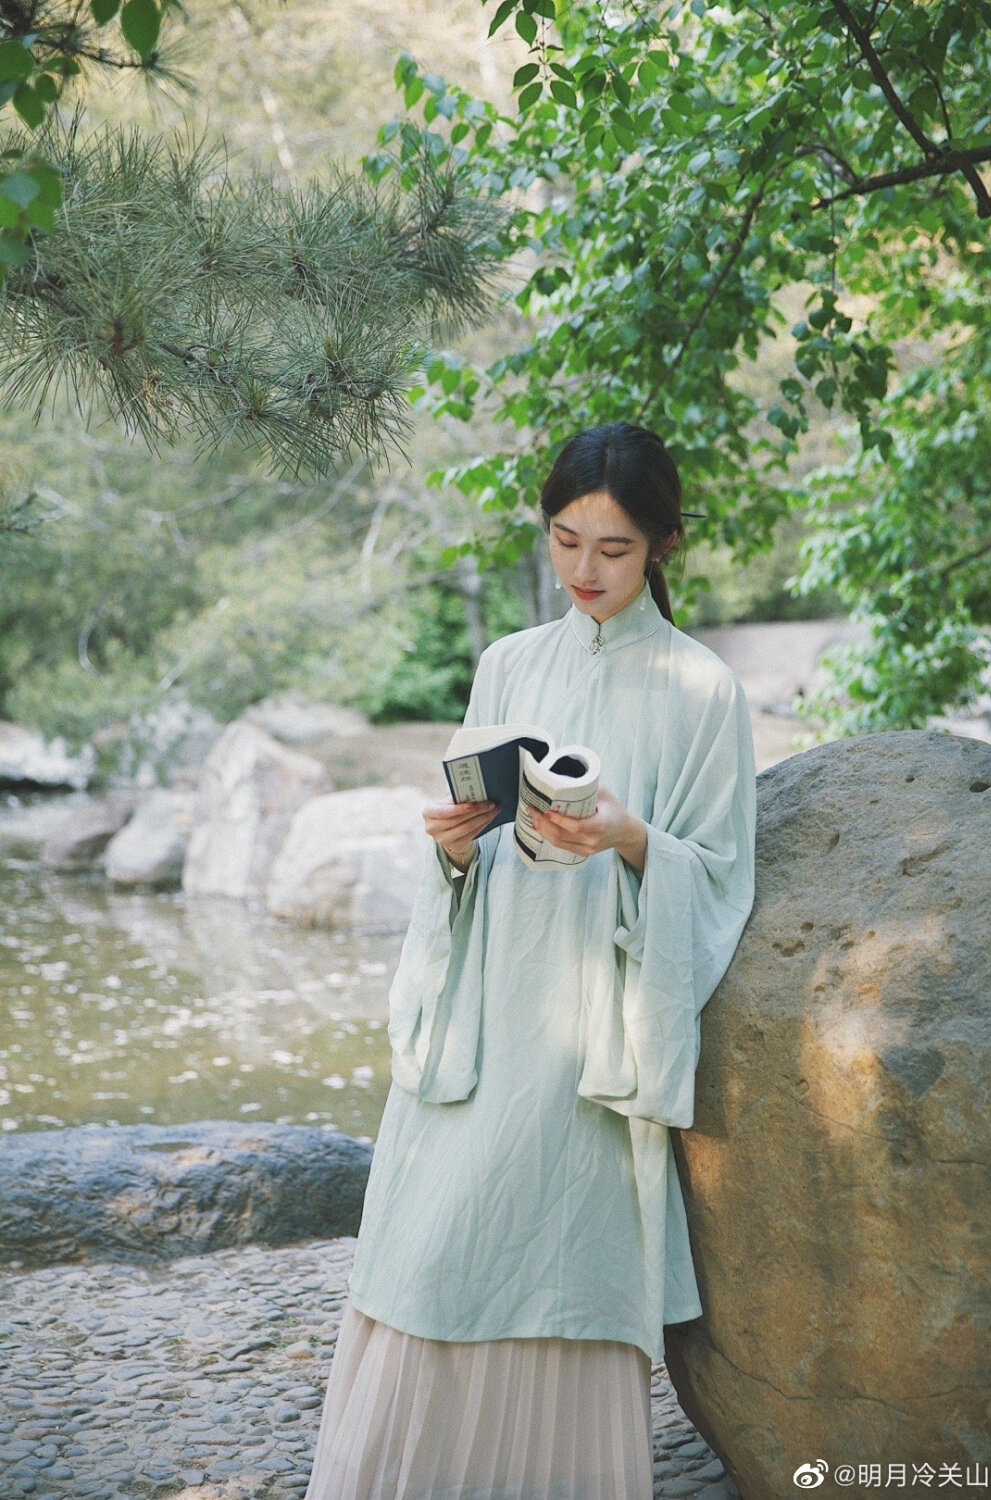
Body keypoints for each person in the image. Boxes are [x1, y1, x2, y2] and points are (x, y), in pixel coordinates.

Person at [303, 422, 756, 1499]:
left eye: (612, 549)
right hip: (482, 1007)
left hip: (591, 1024)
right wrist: (454, 850)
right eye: (563, 542)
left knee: (546, 1253)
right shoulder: (507, 663)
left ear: (663, 546)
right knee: (424, 1244)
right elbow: (462, 854)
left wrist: (631, 838)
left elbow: (721, 875)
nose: (584, 572)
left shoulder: (704, 690)